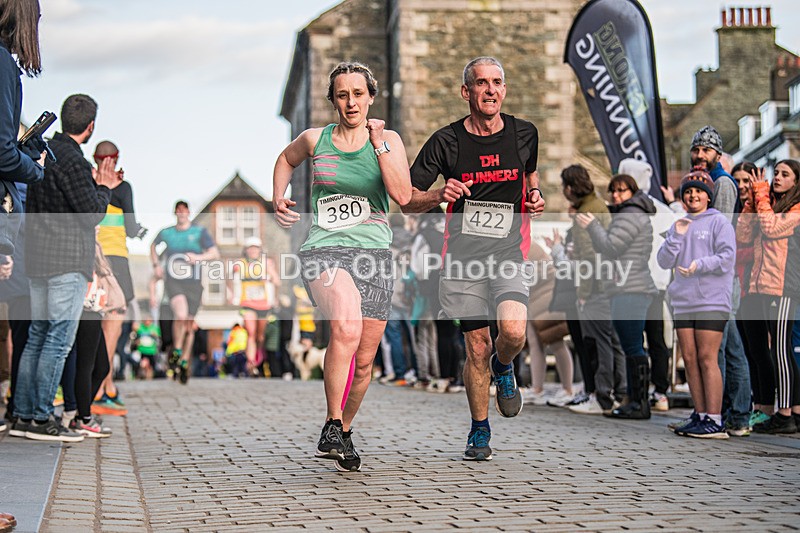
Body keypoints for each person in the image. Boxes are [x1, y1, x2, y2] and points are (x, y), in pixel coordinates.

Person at [402, 57, 544, 461]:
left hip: (508, 253)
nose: (490, 90)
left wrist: (534, 197)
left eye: (497, 82)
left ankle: (506, 366)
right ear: (467, 92)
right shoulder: (445, 142)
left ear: (504, 89)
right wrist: (437, 195)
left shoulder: (524, 134)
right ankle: (480, 430)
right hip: (462, 261)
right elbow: (407, 200)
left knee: (513, 332)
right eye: (481, 83)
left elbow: (530, 177)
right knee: (476, 348)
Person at [272, 61, 411, 472]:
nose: (351, 102)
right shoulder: (316, 139)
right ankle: (332, 423)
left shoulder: (389, 141)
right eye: (342, 94)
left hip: (375, 255)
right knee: (346, 325)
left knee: (365, 361)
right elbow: (285, 158)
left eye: (358, 94)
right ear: (333, 99)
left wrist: (380, 143)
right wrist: (277, 197)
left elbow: (402, 195)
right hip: (324, 250)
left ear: (371, 97)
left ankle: (343, 431)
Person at [13, 93, 116, 442]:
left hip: (38, 258)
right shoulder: (73, 160)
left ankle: (23, 414)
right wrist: (104, 188)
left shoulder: (47, 152)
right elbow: (90, 212)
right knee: (57, 340)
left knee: (36, 338)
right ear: (89, 127)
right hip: (66, 261)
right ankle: (41, 418)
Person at [658, 169, 735, 439]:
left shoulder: (719, 223)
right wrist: (676, 236)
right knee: (689, 359)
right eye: (688, 191)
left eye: (699, 191)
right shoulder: (680, 223)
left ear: (708, 196)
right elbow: (664, 261)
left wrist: (699, 265)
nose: (693, 195)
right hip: (683, 300)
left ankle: (715, 419)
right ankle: (700, 415)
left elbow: (727, 257)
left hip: (711, 300)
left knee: (706, 357)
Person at [576, 173, 657, 419]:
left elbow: (611, 246)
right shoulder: (628, 213)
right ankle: (632, 399)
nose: (616, 195)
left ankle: (639, 403)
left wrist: (592, 226)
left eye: (622, 190)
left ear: (633, 192)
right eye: (613, 190)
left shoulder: (630, 214)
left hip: (631, 288)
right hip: (627, 286)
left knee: (632, 346)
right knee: (629, 346)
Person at [688, 126, 751, 436]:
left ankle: (728, 415)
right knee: (730, 345)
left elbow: (720, 232)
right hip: (710, 278)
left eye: (706, 150)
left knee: (723, 348)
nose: (700, 155)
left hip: (720, 279)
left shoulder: (723, 183)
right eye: (696, 149)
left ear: (717, 154)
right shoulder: (705, 182)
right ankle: (732, 413)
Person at [736, 159, 800, 434]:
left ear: (796, 182)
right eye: (777, 173)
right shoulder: (769, 205)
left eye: (785, 175)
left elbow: (773, 228)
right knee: (776, 350)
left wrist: (761, 194)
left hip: (784, 287)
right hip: (762, 285)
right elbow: (743, 234)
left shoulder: (796, 210)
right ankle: (793, 410)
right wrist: (752, 201)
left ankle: (785, 414)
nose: (777, 178)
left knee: (782, 351)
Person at [559, 165, 626, 416]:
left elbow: (589, 256)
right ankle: (618, 393)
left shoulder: (586, 212)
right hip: (609, 282)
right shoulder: (597, 205)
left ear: (569, 187)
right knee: (612, 341)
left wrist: (584, 291)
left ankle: (603, 396)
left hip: (597, 286)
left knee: (598, 343)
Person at [618, 158, 674, 412]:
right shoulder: (660, 209)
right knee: (654, 336)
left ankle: (647, 394)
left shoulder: (632, 210)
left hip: (640, 281)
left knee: (639, 338)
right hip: (655, 280)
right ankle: (656, 391)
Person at [93, 140, 145, 413]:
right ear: (116, 159)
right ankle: (103, 386)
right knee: (115, 318)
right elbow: (131, 225)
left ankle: (104, 385)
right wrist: (138, 231)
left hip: (91, 255)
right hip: (115, 257)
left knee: (95, 321)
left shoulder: (89, 181)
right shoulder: (123, 187)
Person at [150, 200, 219, 384]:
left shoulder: (199, 232)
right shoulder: (168, 233)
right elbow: (153, 246)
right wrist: (156, 265)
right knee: (180, 316)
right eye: (178, 211)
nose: (181, 214)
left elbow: (214, 253)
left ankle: (183, 362)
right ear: (175, 213)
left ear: (188, 212)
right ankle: (177, 351)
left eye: (184, 210)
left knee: (189, 326)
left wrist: (198, 257)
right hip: (174, 281)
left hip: (194, 283)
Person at [229, 236, 279, 375]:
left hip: (263, 304)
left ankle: (258, 358)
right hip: (247, 303)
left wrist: (268, 278)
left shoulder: (266, 263)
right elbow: (231, 279)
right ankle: (251, 363)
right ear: (246, 250)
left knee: (260, 336)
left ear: (260, 250)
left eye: (255, 248)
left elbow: (277, 281)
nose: (252, 251)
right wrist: (232, 294)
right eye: (250, 248)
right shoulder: (240, 263)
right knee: (250, 333)